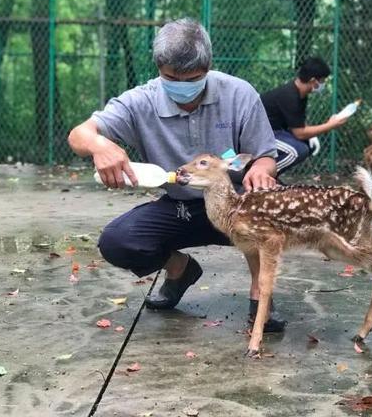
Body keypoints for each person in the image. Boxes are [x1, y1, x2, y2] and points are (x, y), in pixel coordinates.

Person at [67, 17, 286, 331]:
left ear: (208, 67)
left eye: (193, 78)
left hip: (235, 203)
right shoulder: (140, 101)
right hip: (180, 207)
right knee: (118, 242)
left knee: (270, 214)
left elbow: (264, 156)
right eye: (173, 77)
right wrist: (99, 144)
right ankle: (179, 269)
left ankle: (260, 293)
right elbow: (79, 134)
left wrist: (262, 171)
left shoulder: (239, 94)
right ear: (159, 68)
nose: (183, 86)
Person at [260, 57, 349, 175]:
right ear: (313, 80)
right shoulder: (289, 96)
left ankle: (271, 177)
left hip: (276, 131)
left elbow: (297, 123)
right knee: (297, 151)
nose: (322, 84)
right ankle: (262, 175)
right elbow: (300, 133)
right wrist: (330, 125)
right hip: (259, 134)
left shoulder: (300, 94)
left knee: (307, 145)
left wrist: (311, 135)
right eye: (322, 81)